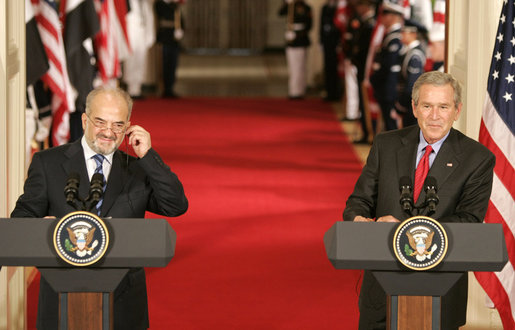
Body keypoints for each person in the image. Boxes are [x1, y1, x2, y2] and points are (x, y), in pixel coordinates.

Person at [11, 86, 189, 330]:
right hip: (62, 300)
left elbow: (175, 205)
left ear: (128, 127)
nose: (108, 132)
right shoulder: (48, 163)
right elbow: (21, 217)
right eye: (100, 122)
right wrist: (42, 229)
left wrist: (148, 155)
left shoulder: (138, 168)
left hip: (124, 303)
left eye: (118, 125)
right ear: (85, 120)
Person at [343, 71, 496, 330]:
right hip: (381, 290)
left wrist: (405, 231)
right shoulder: (386, 145)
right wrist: (360, 220)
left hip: (439, 292)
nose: (434, 116)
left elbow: (468, 221)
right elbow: (358, 202)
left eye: (443, 107)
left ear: (456, 110)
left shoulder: (477, 159)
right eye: (427, 106)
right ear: (414, 108)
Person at [369, 1, 404, 131]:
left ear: (393, 16)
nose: (381, 17)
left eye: (385, 14)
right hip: (385, 88)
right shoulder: (390, 36)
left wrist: (374, 79)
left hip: (390, 89)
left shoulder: (395, 38)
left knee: (392, 127)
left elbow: (388, 66)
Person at [345, 0, 376, 143]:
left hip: (364, 68)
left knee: (365, 102)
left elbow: (364, 48)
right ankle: (365, 131)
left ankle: (368, 131)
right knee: (362, 102)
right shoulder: (364, 22)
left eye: (360, 5)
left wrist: (356, 57)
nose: (357, 8)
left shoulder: (370, 24)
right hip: (360, 66)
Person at [394, 19, 427, 128]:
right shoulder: (408, 51)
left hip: (409, 105)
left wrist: (401, 107)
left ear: (413, 34)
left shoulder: (415, 55)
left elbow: (412, 85)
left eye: (404, 32)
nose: (401, 35)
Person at [278, 0, 313, 100]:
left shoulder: (306, 8)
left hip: (301, 41)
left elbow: (309, 25)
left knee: (300, 67)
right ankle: (293, 90)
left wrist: (297, 34)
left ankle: (300, 90)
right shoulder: (290, 6)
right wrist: (286, 3)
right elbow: (280, 13)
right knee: (292, 67)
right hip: (291, 42)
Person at [155, 0, 185, 98]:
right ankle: (164, 88)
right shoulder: (159, 4)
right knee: (164, 63)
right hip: (164, 38)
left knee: (173, 64)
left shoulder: (174, 5)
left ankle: (170, 87)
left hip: (174, 39)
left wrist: (181, 29)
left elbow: (180, 19)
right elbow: (162, 17)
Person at [320, 0, 342, 101]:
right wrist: (320, 40)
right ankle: (329, 91)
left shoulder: (339, 7)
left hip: (336, 42)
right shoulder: (325, 8)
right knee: (328, 67)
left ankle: (336, 93)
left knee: (336, 69)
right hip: (327, 43)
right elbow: (321, 25)